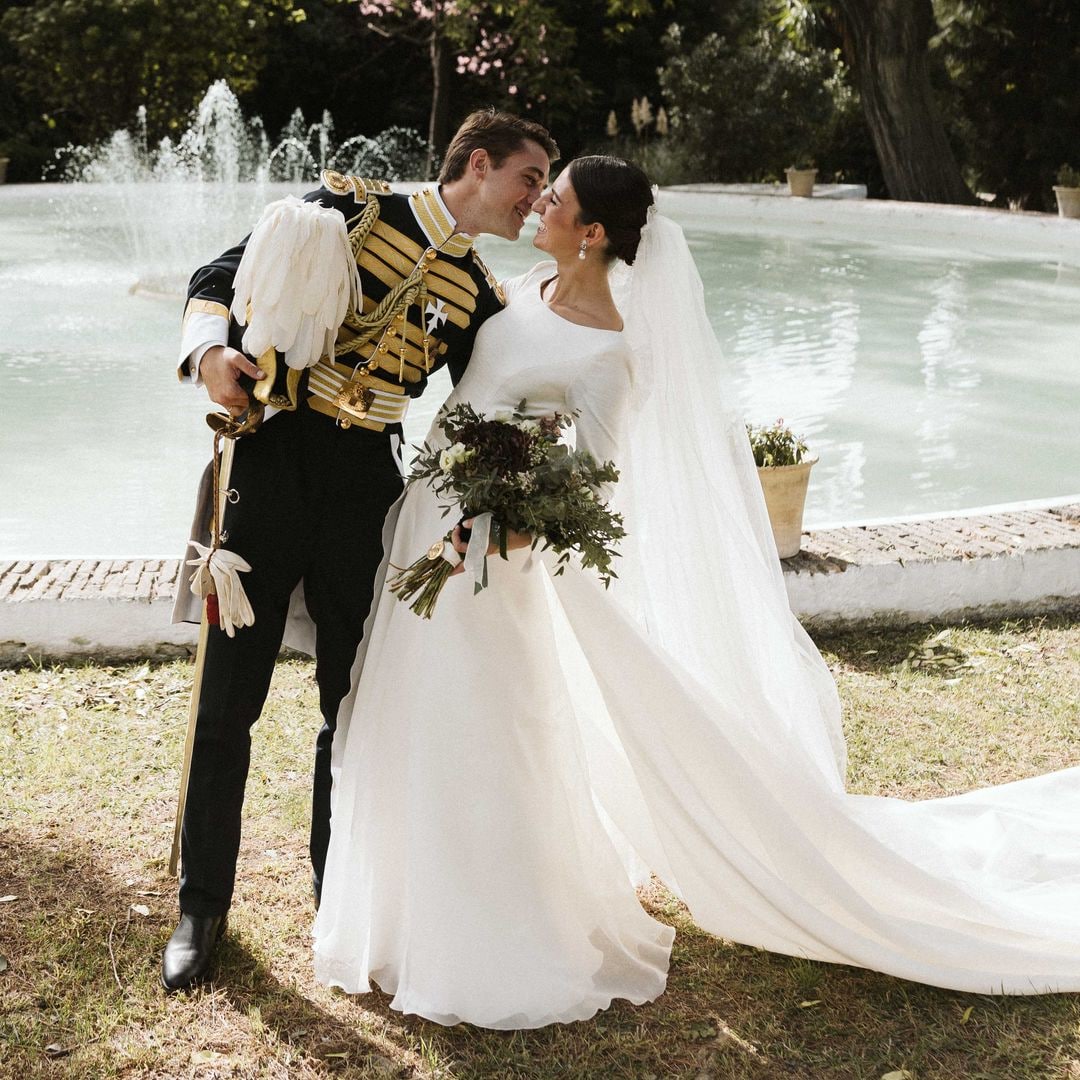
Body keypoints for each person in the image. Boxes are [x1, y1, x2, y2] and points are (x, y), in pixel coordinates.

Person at [311, 155, 1080, 1028]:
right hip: (432, 518)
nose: (539, 205)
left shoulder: (609, 354)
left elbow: (589, 482)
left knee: (474, 728)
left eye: (554, 199)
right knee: (407, 713)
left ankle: (489, 938)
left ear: (593, 232)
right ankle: (399, 921)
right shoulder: (525, 288)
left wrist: (494, 529)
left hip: (486, 557)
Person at [162, 110, 560, 992]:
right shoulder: (349, 208)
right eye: (529, 179)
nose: (536, 201)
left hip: (366, 492)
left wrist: (504, 494)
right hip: (270, 460)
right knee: (228, 701)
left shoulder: (482, 296)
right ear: (480, 163)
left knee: (354, 703)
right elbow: (214, 277)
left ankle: (334, 893)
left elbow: (486, 410)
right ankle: (200, 908)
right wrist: (211, 353)